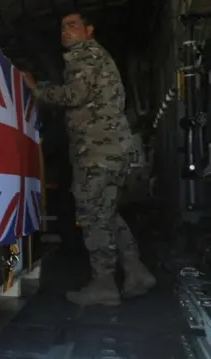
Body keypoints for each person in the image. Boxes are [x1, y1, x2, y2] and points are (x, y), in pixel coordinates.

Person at [22, 12, 156, 306]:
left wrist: (36, 88)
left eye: (73, 26)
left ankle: (104, 284)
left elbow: (75, 94)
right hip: (111, 150)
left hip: (97, 151)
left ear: (89, 30)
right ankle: (136, 272)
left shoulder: (84, 54)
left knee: (94, 215)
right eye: (62, 27)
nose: (66, 32)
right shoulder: (98, 57)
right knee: (106, 212)